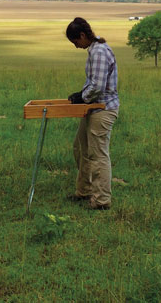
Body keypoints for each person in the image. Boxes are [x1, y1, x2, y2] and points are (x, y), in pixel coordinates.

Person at [65, 17, 119, 210]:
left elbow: (97, 86)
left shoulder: (99, 52)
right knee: (80, 149)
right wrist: (82, 96)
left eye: (75, 41)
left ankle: (101, 200)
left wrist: (82, 97)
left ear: (82, 35)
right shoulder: (94, 50)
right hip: (92, 107)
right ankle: (85, 191)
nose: (76, 46)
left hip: (103, 109)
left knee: (98, 155)